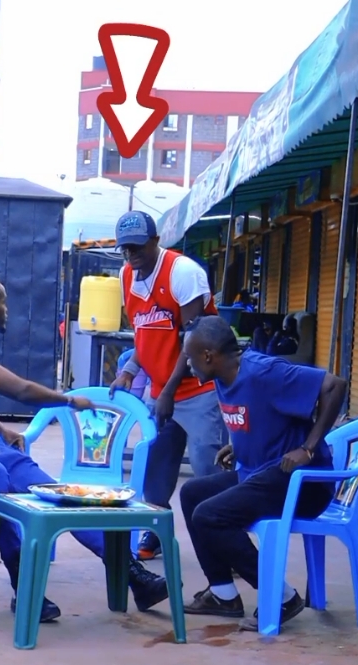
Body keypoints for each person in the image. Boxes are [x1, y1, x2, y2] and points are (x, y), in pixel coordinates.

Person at [0, 270, 170, 623]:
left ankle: (131, 573)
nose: (8, 310)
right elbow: (20, 390)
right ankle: (24, 583)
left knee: (59, 494)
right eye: (3, 303)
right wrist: (68, 400)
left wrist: (3, 429)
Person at [179, 315, 346, 631]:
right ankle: (223, 594)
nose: (187, 365)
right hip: (261, 473)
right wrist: (239, 445)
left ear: (208, 356)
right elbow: (256, 416)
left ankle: (281, 597)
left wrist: (308, 448)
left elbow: (334, 385)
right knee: (191, 493)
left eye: (189, 357)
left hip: (303, 483)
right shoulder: (221, 377)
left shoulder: (265, 372)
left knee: (210, 516)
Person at [110, 210, 228, 561]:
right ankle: (157, 528)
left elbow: (194, 338)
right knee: (157, 466)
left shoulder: (183, 272)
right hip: (163, 389)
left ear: (156, 241)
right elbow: (146, 334)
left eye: (137, 247)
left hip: (200, 388)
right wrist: (130, 370)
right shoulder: (126, 276)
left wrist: (170, 391)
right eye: (125, 249)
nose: (131, 255)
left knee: (209, 470)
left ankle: (226, 540)